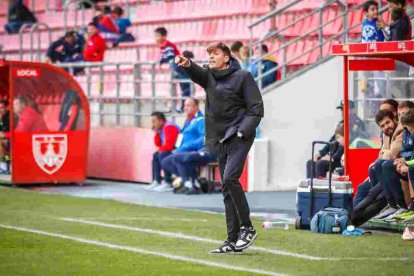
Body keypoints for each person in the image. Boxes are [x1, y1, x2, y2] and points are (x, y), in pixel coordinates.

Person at [176, 42, 264, 253]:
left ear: (226, 57)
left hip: (240, 136)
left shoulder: (243, 76)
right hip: (221, 139)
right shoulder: (209, 76)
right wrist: (187, 63)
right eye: (209, 54)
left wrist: (243, 130)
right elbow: (197, 73)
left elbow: (256, 108)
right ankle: (232, 240)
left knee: (229, 178)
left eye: (215, 53)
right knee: (227, 190)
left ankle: (248, 228)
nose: (211, 57)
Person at [155, 98, 205, 192]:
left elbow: (203, 138)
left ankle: (188, 180)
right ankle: (186, 179)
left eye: (188, 106)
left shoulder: (200, 120)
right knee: (163, 157)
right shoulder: (188, 120)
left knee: (169, 159)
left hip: (192, 150)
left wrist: (188, 146)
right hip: (182, 149)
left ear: (196, 107)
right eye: (185, 105)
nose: (185, 108)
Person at [353, 109, 401, 206]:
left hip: (397, 170)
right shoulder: (387, 135)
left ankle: (384, 205)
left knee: (372, 192)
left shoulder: (400, 131)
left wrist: (386, 153)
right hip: (385, 171)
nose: (386, 127)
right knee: (362, 187)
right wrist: (386, 153)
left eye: (388, 122)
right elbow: (381, 155)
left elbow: (391, 154)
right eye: (382, 126)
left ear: (394, 119)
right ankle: (354, 215)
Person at [154, 27, 190, 113]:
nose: (155, 38)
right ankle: (180, 107)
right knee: (181, 89)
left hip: (180, 68)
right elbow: (166, 57)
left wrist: (162, 61)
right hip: (177, 68)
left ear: (164, 36)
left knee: (185, 88)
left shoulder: (167, 45)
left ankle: (183, 107)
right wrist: (161, 61)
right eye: (155, 36)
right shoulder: (163, 46)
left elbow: (170, 57)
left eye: (157, 36)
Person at [145, 111, 180, 191]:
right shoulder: (161, 129)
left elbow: (170, 145)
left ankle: (168, 182)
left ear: (161, 121)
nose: (153, 124)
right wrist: (156, 132)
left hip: (177, 150)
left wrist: (160, 150)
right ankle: (156, 180)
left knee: (162, 154)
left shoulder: (169, 127)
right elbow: (158, 144)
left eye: (154, 121)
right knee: (156, 154)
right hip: (170, 149)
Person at [0, 100, 10, 174]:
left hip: (12, 140)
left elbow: (15, 131)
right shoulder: (0, 117)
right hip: (4, 140)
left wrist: (4, 135)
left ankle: (5, 165)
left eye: (2, 108)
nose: (0, 110)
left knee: (1, 144)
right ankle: (6, 164)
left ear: (7, 107)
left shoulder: (11, 117)